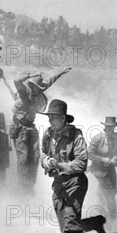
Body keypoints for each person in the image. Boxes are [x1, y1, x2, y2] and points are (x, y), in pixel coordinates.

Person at [39, 99, 107, 233]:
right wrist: (47, 162)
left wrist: (60, 165)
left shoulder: (75, 136)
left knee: (70, 222)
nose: (50, 121)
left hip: (75, 182)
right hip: (58, 184)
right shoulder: (48, 135)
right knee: (66, 228)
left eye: (53, 117)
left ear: (63, 118)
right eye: (49, 117)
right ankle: (94, 223)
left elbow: (81, 164)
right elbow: (43, 154)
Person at [11, 68, 72, 196]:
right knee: (23, 159)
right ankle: (23, 189)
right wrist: (31, 75)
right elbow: (16, 80)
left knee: (35, 158)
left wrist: (61, 72)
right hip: (20, 127)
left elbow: (50, 81)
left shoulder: (39, 93)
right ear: (31, 85)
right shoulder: (24, 91)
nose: (36, 88)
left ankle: (30, 187)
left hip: (31, 127)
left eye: (38, 87)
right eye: (34, 85)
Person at [88, 116, 117, 221]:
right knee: (109, 191)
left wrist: (116, 158)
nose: (109, 129)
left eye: (111, 127)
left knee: (113, 190)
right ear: (104, 127)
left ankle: (101, 205)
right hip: (98, 168)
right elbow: (89, 155)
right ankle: (113, 219)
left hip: (110, 168)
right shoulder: (97, 138)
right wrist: (104, 160)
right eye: (107, 127)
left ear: (114, 127)